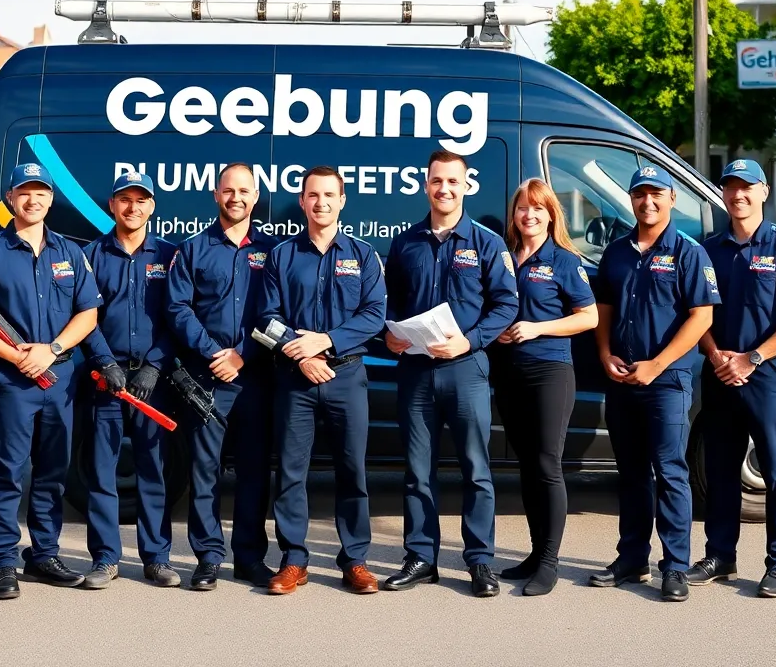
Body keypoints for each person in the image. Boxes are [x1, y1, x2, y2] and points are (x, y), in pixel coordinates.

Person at [0, 162, 102, 600]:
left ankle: (43, 555)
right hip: (13, 383)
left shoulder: (72, 252)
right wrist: (15, 354)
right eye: (24, 192)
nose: (32, 199)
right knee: (8, 472)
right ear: (11, 198)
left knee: (53, 473)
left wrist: (50, 350)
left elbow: (88, 313)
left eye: (41, 192)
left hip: (59, 379)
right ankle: (2, 561)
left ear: (52, 199)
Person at [381, 150, 518, 598]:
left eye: (452, 182)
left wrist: (471, 340)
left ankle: (480, 561)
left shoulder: (487, 243)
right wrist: (392, 334)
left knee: (475, 469)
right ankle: (421, 556)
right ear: (426, 184)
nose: (444, 189)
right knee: (417, 471)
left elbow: (507, 305)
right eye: (437, 181)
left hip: (466, 369)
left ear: (465, 186)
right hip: (416, 371)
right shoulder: (405, 243)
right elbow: (391, 303)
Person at [685, 159, 776, 599]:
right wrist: (714, 352)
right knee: (719, 469)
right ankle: (720, 555)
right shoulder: (708, 250)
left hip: (766, 374)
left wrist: (754, 357)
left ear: (764, 192)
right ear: (722, 193)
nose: (738, 195)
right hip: (720, 370)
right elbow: (697, 311)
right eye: (730, 187)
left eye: (747, 187)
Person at [589, 164, 720, 603]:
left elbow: (702, 316)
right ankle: (631, 559)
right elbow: (603, 307)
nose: (648, 201)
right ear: (631, 200)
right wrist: (605, 353)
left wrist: (658, 364)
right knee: (629, 474)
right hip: (622, 378)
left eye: (657, 194)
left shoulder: (688, 252)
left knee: (670, 473)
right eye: (640, 194)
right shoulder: (617, 251)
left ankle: (675, 566)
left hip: (667, 381)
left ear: (672, 198)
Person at [258, 166, 386, 595]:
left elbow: (373, 315)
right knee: (291, 473)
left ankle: (355, 561)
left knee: (353, 471)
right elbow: (266, 318)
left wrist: (326, 342)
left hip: (347, 375)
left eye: (329, 195)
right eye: (313, 195)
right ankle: (294, 560)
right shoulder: (281, 255)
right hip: (296, 379)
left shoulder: (363, 254)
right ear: (302, 201)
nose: (321, 203)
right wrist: (302, 356)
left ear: (343, 200)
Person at [166, 162, 277, 591]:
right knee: (205, 471)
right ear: (216, 194)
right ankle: (208, 556)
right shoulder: (193, 249)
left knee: (253, 472)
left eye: (244, 191)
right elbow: (178, 308)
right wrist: (214, 352)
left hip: (255, 379)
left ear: (255, 197)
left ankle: (249, 557)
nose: (236, 198)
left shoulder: (273, 250)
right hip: (207, 379)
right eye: (228, 190)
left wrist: (243, 355)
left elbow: (281, 313)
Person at [488, 178, 599, 597]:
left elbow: (588, 317)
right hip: (508, 374)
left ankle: (549, 563)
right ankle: (535, 554)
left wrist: (537, 328)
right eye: (522, 208)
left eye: (538, 208)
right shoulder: (503, 258)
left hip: (550, 371)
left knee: (548, 464)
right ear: (514, 216)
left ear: (552, 214)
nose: (529, 214)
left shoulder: (566, 261)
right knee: (528, 466)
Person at [78, 171, 181, 590]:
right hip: (108, 380)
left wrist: (155, 365)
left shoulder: (172, 255)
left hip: (153, 382)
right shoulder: (91, 254)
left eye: (141, 200)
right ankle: (105, 558)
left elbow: (178, 316)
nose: (133, 207)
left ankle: (156, 558)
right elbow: (84, 315)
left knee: (153, 471)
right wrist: (105, 362)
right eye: (125, 199)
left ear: (152, 206)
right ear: (112, 204)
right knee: (101, 472)